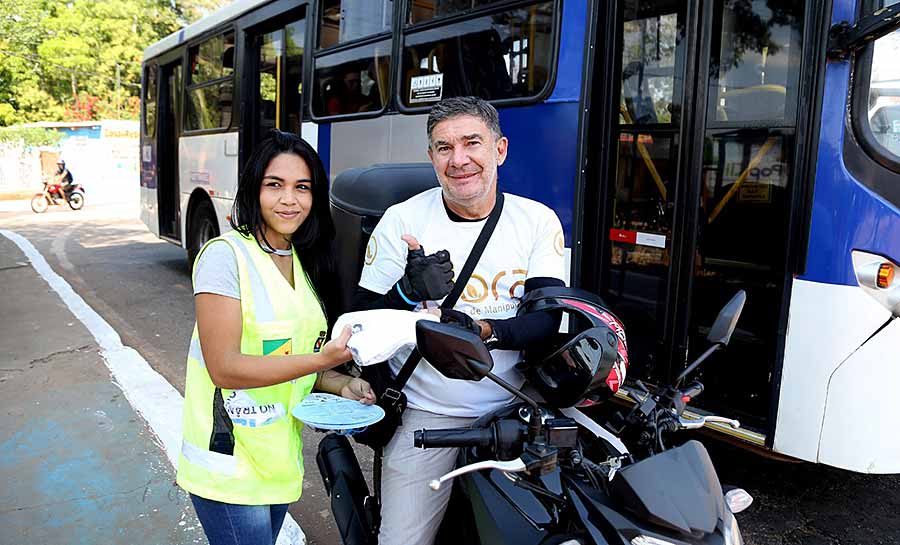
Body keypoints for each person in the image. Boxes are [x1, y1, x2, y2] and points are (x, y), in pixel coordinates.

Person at [354, 96, 567, 545]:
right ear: (431, 157)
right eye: (444, 147)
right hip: (427, 410)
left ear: (500, 150)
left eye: (472, 143)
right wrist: (407, 291)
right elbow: (360, 320)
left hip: (511, 408)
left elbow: (548, 322)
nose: (459, 159)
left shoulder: (537, 221)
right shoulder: (402, 220)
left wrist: (486, 331)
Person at [176, 130, 375, 545]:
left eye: (302, 187)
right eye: (275, 185)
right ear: (254, 188)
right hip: (228, 461)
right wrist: (325, 362)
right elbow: (225, 368)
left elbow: (290, 357)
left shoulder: (301, 262)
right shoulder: (224, 256)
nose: (290, 200)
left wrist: (343, 384)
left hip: (276, 459)